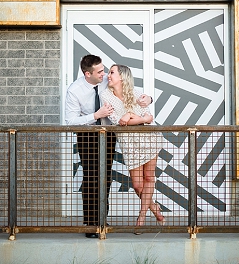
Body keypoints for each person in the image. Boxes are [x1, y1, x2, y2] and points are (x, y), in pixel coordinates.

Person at [64, 54, 152, 238]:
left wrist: (149, 99)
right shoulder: (75, 90)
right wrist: (96, 115)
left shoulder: (107, 80)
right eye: (99, 72)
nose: (104, 74)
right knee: (90, 177)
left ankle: (103, 219)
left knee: (105, 177)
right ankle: (91, 223)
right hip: (87, 135)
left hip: (108, 135)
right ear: (88, 74)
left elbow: (129, 90)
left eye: (104, 70)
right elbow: (71, 121)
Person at [101, 64, 165, 233]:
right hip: (129, 143)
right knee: (137, 185)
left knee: (149, 178)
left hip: (149, 139)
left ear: (122, 76)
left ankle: (141, 217)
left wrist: (129, 115)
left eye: (112, 72)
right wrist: (136, 118)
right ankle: (154, 207)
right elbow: (116, 121)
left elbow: (150, 117)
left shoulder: (137, 93)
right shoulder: (105, 95)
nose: (108, 75)